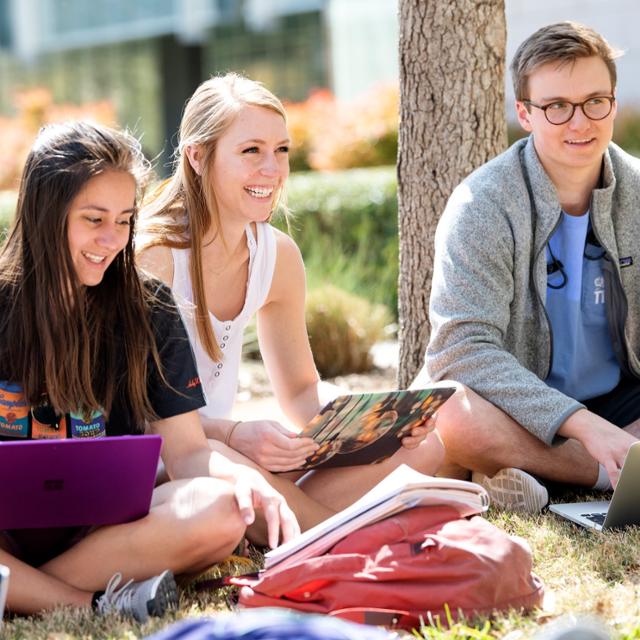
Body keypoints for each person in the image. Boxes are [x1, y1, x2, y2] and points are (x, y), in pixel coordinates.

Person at [0, 122, 297, 620]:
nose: (111, 240)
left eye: (123, 220)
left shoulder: (147, 306)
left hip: (104, 536)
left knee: (222, 510)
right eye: (93, 219)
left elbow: (187, 453)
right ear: (44, 215)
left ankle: (23, 591)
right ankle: (86, 603)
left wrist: (242, 480)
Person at [137, 73, 444, 532]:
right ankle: (335, 532)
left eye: (281, 150)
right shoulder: (154, 258)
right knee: (227, 467)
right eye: (251, 151)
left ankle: (304, 524)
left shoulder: (276, 256)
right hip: (178, 460)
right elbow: (142, 420)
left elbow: (301, 392)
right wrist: (237, 436)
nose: (273, 169)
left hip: (235, 452)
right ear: (197, 157)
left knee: (423, 446)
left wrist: (371, 417)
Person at [413, 22, 640, 513]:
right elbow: (461, 348)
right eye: (557, 107)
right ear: (525, 113)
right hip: (515, 403)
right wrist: (582, 425)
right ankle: (607, 473)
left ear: (613, 104)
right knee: (448, 413)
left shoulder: (638, 193)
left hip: (621, 399)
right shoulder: (483, 204)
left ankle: (523, 473)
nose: (579, 123)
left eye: (594, 101)